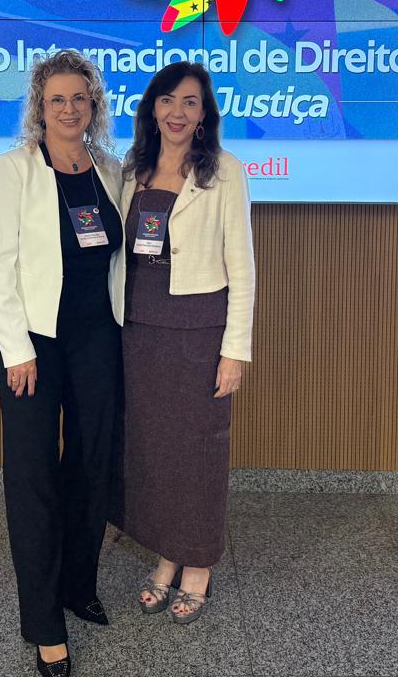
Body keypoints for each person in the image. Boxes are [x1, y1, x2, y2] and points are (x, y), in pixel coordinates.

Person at [0, 49, 126, 677]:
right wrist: (16, 350)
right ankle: (44, 624)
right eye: (56, 99)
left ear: (94, 105)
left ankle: (76, 585)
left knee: (92, 464)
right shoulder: (14, 168)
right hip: (34, 345)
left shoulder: (110, 170)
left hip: (99, 340)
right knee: (34, 479)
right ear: (39, 108)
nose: (69, 109)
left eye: (79, 98)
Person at [118, 61, 255, 624]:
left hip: (198, 333)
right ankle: (167, 554)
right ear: (153, 108)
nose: (177, 111)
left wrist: (234, 350)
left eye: (190, 102)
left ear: (204, 115)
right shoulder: (132, 169)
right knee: (154, 451)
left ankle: (197, 564)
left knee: (198, 453)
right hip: (138, 332)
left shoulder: (224, 171)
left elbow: (242, 266)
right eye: (168, 100)